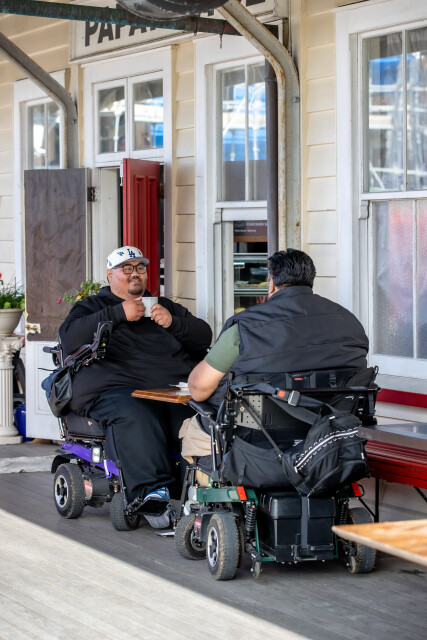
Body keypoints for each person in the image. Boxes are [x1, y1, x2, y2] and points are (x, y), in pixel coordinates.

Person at [59, 246, 212, 524]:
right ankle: (152, 494)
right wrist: (118, 313)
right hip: (115, 387)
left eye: (140, 268)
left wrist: (173, 322)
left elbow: (204, 336)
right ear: (110, 275)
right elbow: (68, 338)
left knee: (198, 417)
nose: (134, 274)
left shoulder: (163, 305)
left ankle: (198, 490)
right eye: (126, 269)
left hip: (170, 388)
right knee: (137, 414)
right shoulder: (93, 306)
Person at [188, 248, 369, 402]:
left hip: (255, 430)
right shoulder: (350, 322)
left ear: (272, 283)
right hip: (331, 426)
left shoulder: (244, 327)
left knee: (190, 428)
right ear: (310, 280)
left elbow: (198, 388)